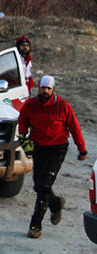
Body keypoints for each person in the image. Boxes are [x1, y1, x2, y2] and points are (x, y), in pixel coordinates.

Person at [18, 75, 88, 238]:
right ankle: (56, 204)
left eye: (48, 88)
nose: (45, 91)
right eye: (43, 88)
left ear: (53, 89)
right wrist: (23, 136)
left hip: (57, 148)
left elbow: (75, 128)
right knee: (38, 185)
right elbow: (23, 121)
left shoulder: (63, 106)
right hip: (39, 148)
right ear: (39, 88)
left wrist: (82, 150)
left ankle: (35, 226)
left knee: (43, 185)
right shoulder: (31, 105)